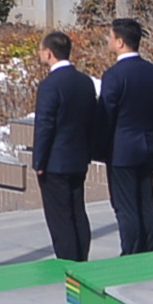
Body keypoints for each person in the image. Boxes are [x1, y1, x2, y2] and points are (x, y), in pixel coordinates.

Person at [97, 20, 153, 256]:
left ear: (120, 42)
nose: (108, 41)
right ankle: (148, 247)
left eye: (110, 37)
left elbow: (106, 115)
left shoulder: (114, 75)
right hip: (148, 145)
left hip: (122, 149)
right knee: (146, 201)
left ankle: (130, 252)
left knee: (126, 205)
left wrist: (99, 147)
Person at [31, 31, 100, 264]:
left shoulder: (50, 86)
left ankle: (68, 261)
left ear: (49, 53)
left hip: (55, 162)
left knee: (60, 217)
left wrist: (39, 161)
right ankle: (82, 256)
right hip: (78, 158)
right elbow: (92, 120)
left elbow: (45, 126)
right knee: (77, 210)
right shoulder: (84, 81)